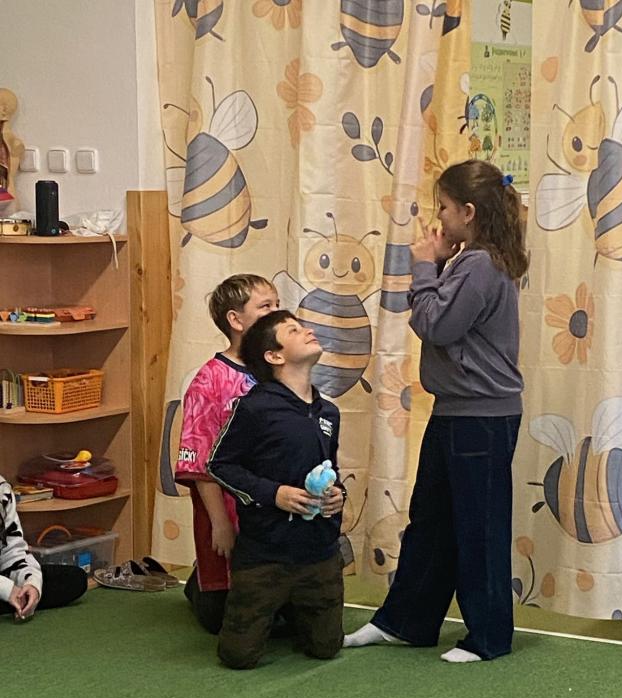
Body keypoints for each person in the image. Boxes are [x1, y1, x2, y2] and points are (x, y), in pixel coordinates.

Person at [344, 160, 528, 663]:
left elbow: (436, 324)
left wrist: (424, 265)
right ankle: (405, 621)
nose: (437, 218)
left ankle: (489, 637)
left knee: (478, 527)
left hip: (481, 417)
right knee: (431, 521)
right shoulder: (473, 262)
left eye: (443, 208)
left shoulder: (481, 264)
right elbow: (449, 315)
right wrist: (440, 266)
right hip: (458, 412)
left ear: (468, 212)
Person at [207, 310, 346, 669]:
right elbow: (220, 465)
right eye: (294, 330)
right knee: (238, 657)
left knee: (326, 648)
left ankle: (291, 609)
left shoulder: (329, 412)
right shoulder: (255, 407)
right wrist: (274, 494)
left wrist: (338, 494)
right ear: (274, 356)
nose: (308, 331)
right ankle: (207, 592)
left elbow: (331, 469)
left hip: (319, 553)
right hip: (265, 554)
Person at [175, 274, 279, 634]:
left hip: (273, 505)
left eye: (277, 305)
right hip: (229, 507)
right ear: (236, 320)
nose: (276, 314)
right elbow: (200, 462)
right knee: (223, 621)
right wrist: (220, 524)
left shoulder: (278, 371)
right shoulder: (210, 381)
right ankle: (199, 584)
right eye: (265, 307)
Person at [0, 475, 87, 620]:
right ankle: (12, 599)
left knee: (74, 578)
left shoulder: (3, 489)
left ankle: (21, 599)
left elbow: (14, 551)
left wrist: (32, 584)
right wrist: (7, 590)